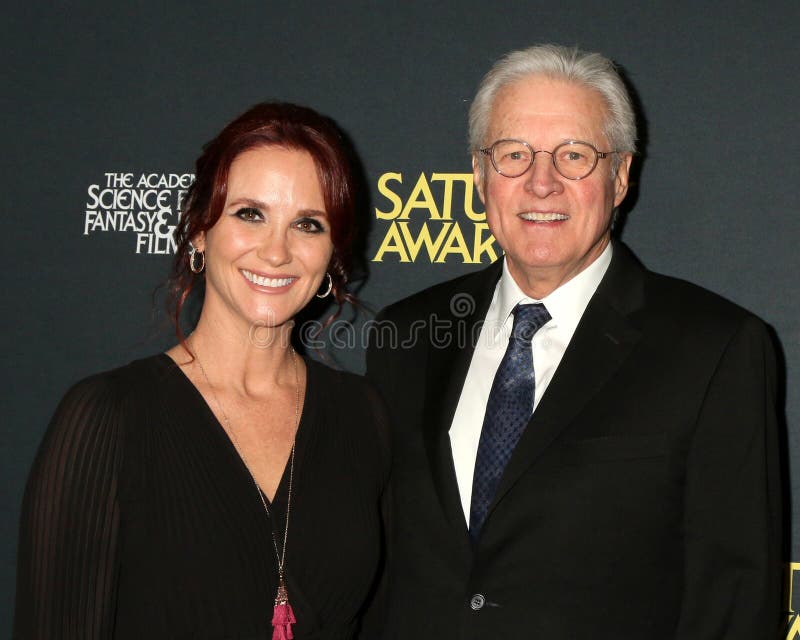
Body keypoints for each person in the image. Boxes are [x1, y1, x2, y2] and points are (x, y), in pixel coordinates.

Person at [366, 44, 783, 638]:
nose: (542, 184)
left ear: (620, 177)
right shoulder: (405, 335)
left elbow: (734, 601)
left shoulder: (715, 349)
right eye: (514, 155)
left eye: (574, 156)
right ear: (480, 175)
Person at [15, 102, 389, 639]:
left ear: (333, 256)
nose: (277, 251)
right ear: (198, 230)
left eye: (308, 224)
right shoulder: (108, 417)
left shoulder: (362, 417)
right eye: (249, 214)